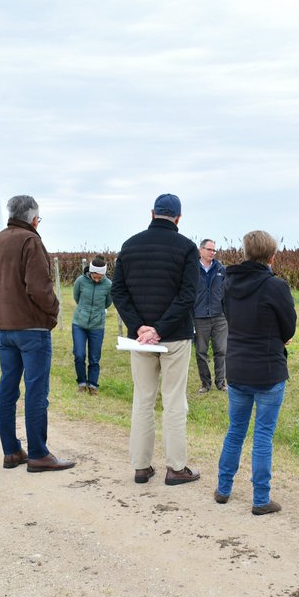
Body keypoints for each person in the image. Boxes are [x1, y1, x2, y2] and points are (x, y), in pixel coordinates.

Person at [0, 195, 75, 472]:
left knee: (8, 388)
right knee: (36, 390)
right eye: (38, 219)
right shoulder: (30, 241)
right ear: (33, 218)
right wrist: (53, 311)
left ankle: (11, 450)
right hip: (32, 328)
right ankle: (38, 453)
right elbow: (39, 287)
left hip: (5, 328)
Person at [109, 193, 201, 486]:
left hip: (141, 340)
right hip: (173, 337)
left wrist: (139, 328)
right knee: (174, 400)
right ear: (178, 218)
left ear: (152, 213)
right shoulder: (186, 248)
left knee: (143, 399)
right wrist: (159, 329)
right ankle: (175, 467)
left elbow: (119, 292)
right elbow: (187, 294)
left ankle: (141, 466)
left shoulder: (130, 246)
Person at [214, 230, 296, 515]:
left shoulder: (228, 282)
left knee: (235, 431)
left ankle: (223, 489)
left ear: (245, 253)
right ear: (272, 257)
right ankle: (261, 499)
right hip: (268, 370)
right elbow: (289, 328)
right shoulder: (276, 286)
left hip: (236, 366)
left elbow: (229, 318)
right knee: (262, 435)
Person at [71, 256, 112, 395]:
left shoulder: (108, 285)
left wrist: (97, 313)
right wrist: (84, 310)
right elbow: (76, 297)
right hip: (79, 324)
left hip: (97, 325)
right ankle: (81, 382)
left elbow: (107, 303)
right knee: (79, 354)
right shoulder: (80, 281)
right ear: (91, 272)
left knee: (94, 357)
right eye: (95, 276)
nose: (97, 279)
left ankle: (93, 385)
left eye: (100, 277)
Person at [192, 238, 228, 393]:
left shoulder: (221, 269)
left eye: (214, 250)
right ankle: (205, 383)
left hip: (219, 316)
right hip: (200, 316)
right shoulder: (192, 269)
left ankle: (221, 382)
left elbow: (227, 292)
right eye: (209, 249)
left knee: (222, 350)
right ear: (201, 250)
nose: (212, 252)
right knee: (201, 351)